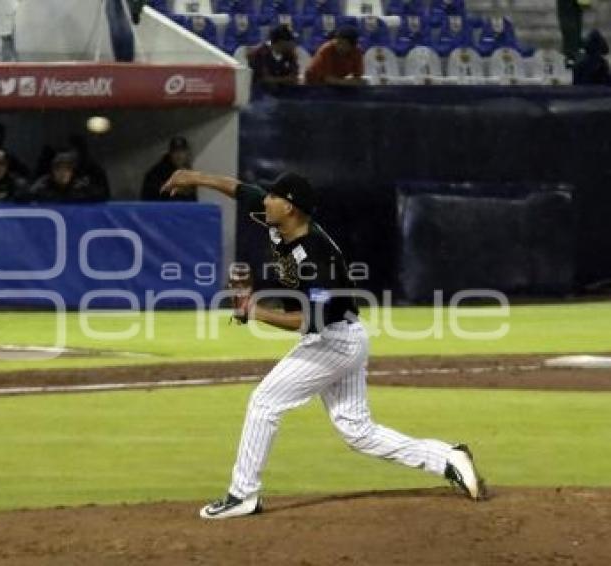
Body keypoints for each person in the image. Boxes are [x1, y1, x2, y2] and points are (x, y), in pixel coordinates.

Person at [161, 169, 486, 520]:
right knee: (357, 431)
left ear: (290, 208)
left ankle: (243, 494)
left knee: (264, 403)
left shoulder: (318, 259)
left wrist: (254, 310)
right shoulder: (278, 219)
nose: (265, 200)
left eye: (274, 196)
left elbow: (311, 322)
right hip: (341, 337)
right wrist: (192, 176)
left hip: (335, 341)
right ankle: (448, 457)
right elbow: (242, 191)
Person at [16, 151, 108, 204]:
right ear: (52, 171)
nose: (63, 173)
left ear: (72, 172)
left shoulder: (80, 185)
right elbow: (21, 197)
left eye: (67, 169)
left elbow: (101, 196)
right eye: (58, 169)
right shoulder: (43, 185)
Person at [141, 136, 197, 202]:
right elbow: (149, 197)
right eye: (175, 151)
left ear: (187, 153)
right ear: (170, 154)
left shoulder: (188, 174)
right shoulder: (157, 173)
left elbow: (192, 201)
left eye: (182, 151)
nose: (179, 155)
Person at [68, 134, 111, 199]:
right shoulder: (60, 171)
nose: (70, 154)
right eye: (68, 150)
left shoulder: (95, 170)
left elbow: (103, 194)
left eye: (72, 150)